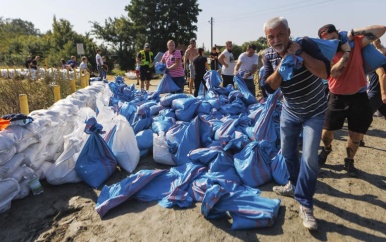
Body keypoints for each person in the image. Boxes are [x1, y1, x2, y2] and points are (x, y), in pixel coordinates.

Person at [262, 17, 330, 230]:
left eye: (280, 34)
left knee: (309, 159)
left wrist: (299, 53)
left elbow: (324, 72)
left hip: (315, 112)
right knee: (288, 153)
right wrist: (282, 66)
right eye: (271, 37)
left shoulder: (306, 44)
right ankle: (293, 183)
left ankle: (305, 204)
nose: (276, 40)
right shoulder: (269, 56)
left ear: (289, 32)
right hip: (290, 112)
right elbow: (268, 88)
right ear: (267, 40)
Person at [317, 24, 386, 177]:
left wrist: (355, 32)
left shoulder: (355, 42)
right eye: (328, 42)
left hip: (359, 96)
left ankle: (349, 160)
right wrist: (346, 51)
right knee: (326, 134)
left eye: (334, 39)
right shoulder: (325, 53)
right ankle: (327, 148)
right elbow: (334, 73)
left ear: (338, 34)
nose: (333, 44)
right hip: (336, 97)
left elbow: (381, 29)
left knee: (355, 136)